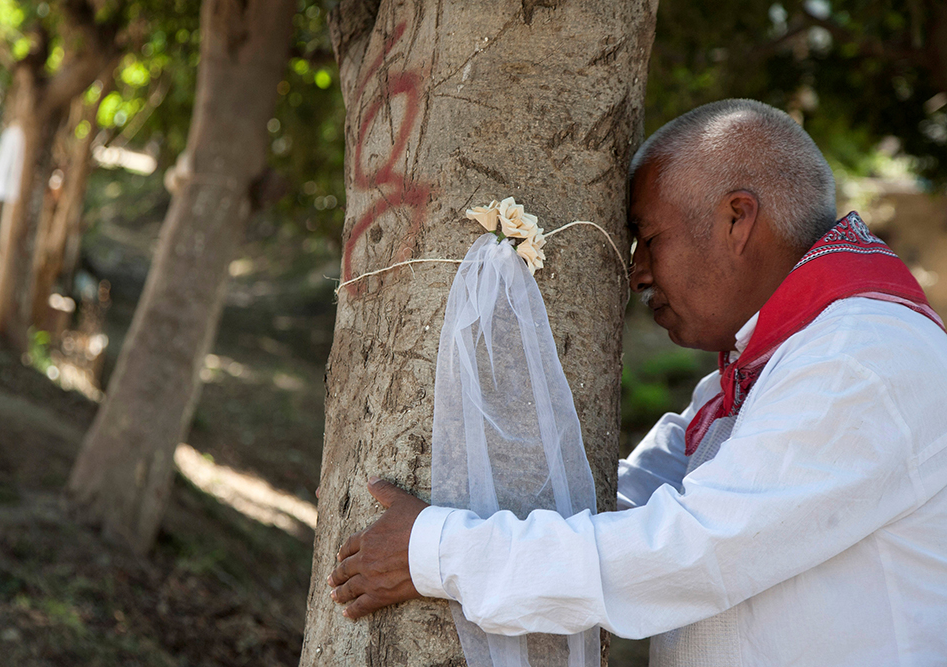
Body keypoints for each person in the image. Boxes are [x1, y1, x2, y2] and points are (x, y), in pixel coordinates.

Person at [326, 99, 947, 666]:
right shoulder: (771, 363)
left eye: (648, 239)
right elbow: (622, 501)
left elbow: (688, 550)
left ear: (737, 219)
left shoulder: (863, 358)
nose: (637, 274)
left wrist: (438, 552)